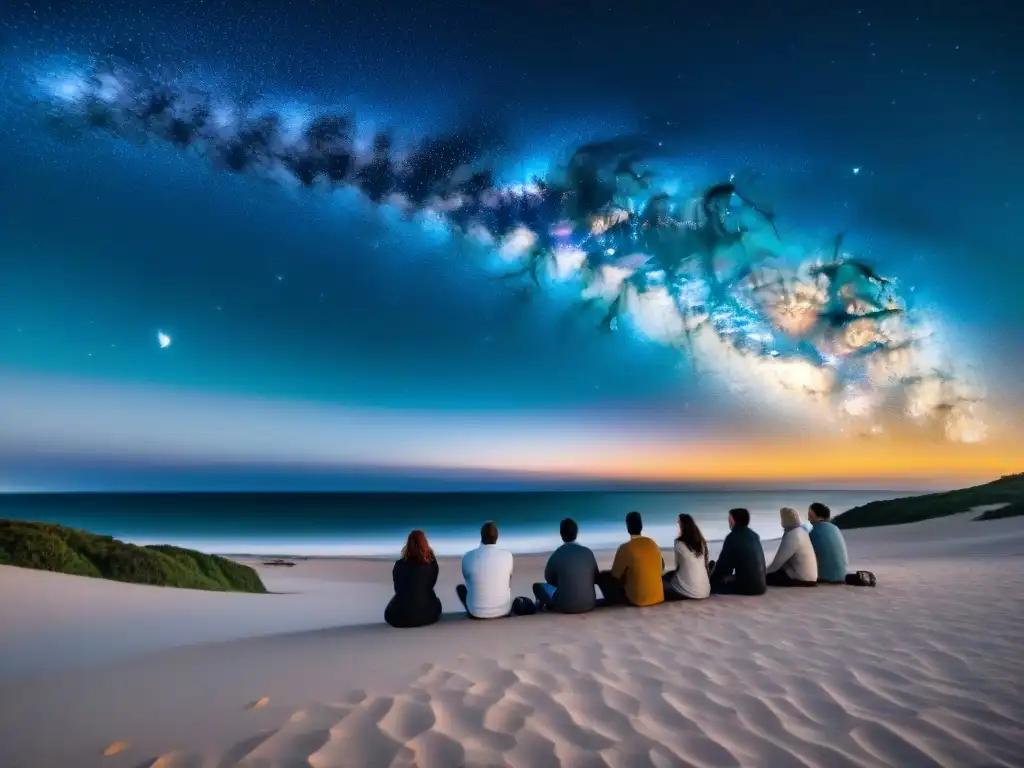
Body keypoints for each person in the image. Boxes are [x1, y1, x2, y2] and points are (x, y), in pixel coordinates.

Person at [596, 511, 664, 607]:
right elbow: (662, 566)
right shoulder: (652, 543)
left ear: (627, 527)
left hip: (638, 600)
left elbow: (615, 577)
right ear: (641, 526)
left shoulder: (625, 548)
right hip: (658, 596)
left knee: (603, 575)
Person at [533, 518, 599, 613]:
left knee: (537, 586)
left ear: (561, 534)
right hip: (589, 604)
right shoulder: (588, 552)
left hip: (565, 607)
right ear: (576, 533)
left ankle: (541, 608)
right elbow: (595, 576)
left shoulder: (557, 554)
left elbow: (549, 579)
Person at [385, 529, 443, 628]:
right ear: (425, 543)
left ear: (408, 544)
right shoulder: (431, 563)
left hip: (401, 617)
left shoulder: (399, 565)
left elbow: (397, 588)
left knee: (390, 609)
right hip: (427, 615)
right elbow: (432, 583)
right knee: (437, 603)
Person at [456, 521, 514, 619]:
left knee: (461, 588)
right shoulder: (507, 555)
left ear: (481, 536)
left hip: (476, 613)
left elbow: (467, 579)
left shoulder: (468, 556)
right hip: (504, 610)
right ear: (497, 537)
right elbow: (509, 578)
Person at [709, 508, 767, 595]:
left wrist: (711, 579)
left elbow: (724, 568)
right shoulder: (754, 535)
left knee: (712, 585)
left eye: (730, 517)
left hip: (748, 588)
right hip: (761, 586)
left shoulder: (732, 537)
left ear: (734, 520)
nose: (728, 520)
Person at [765, 507, 819, 586]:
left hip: (801, 579)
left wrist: (763, 573)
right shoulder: (802, 532)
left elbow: (778, 562)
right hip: (809, 578)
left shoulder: (793, 534)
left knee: (765, 578)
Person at [663, 513, 711, 600]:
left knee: (663, 582)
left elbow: (678, 567)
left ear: (682, 526)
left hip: (688, 592)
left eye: (678, 523)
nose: (677, 526)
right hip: (705, 591)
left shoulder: (678, 543)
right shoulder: (701, 543)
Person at [807, 502, 850, 584]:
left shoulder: (814, 530)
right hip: (842, 575)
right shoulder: (835, 528)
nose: (808, 519)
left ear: (818, 515)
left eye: (810, 515)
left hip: (826, 577)